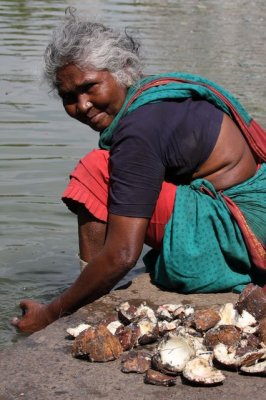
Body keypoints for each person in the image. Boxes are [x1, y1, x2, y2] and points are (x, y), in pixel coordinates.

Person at [11, 9, 266, 334]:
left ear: (123, 73)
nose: (83, 104)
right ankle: (88, 286)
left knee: (96, 171)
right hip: (252, 213)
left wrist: (50, 313)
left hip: (236, 232)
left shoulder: (138, 130)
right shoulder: (155, 97)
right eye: (69, 97)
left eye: (90, 87)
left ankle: (88, 297)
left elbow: (123, 254)